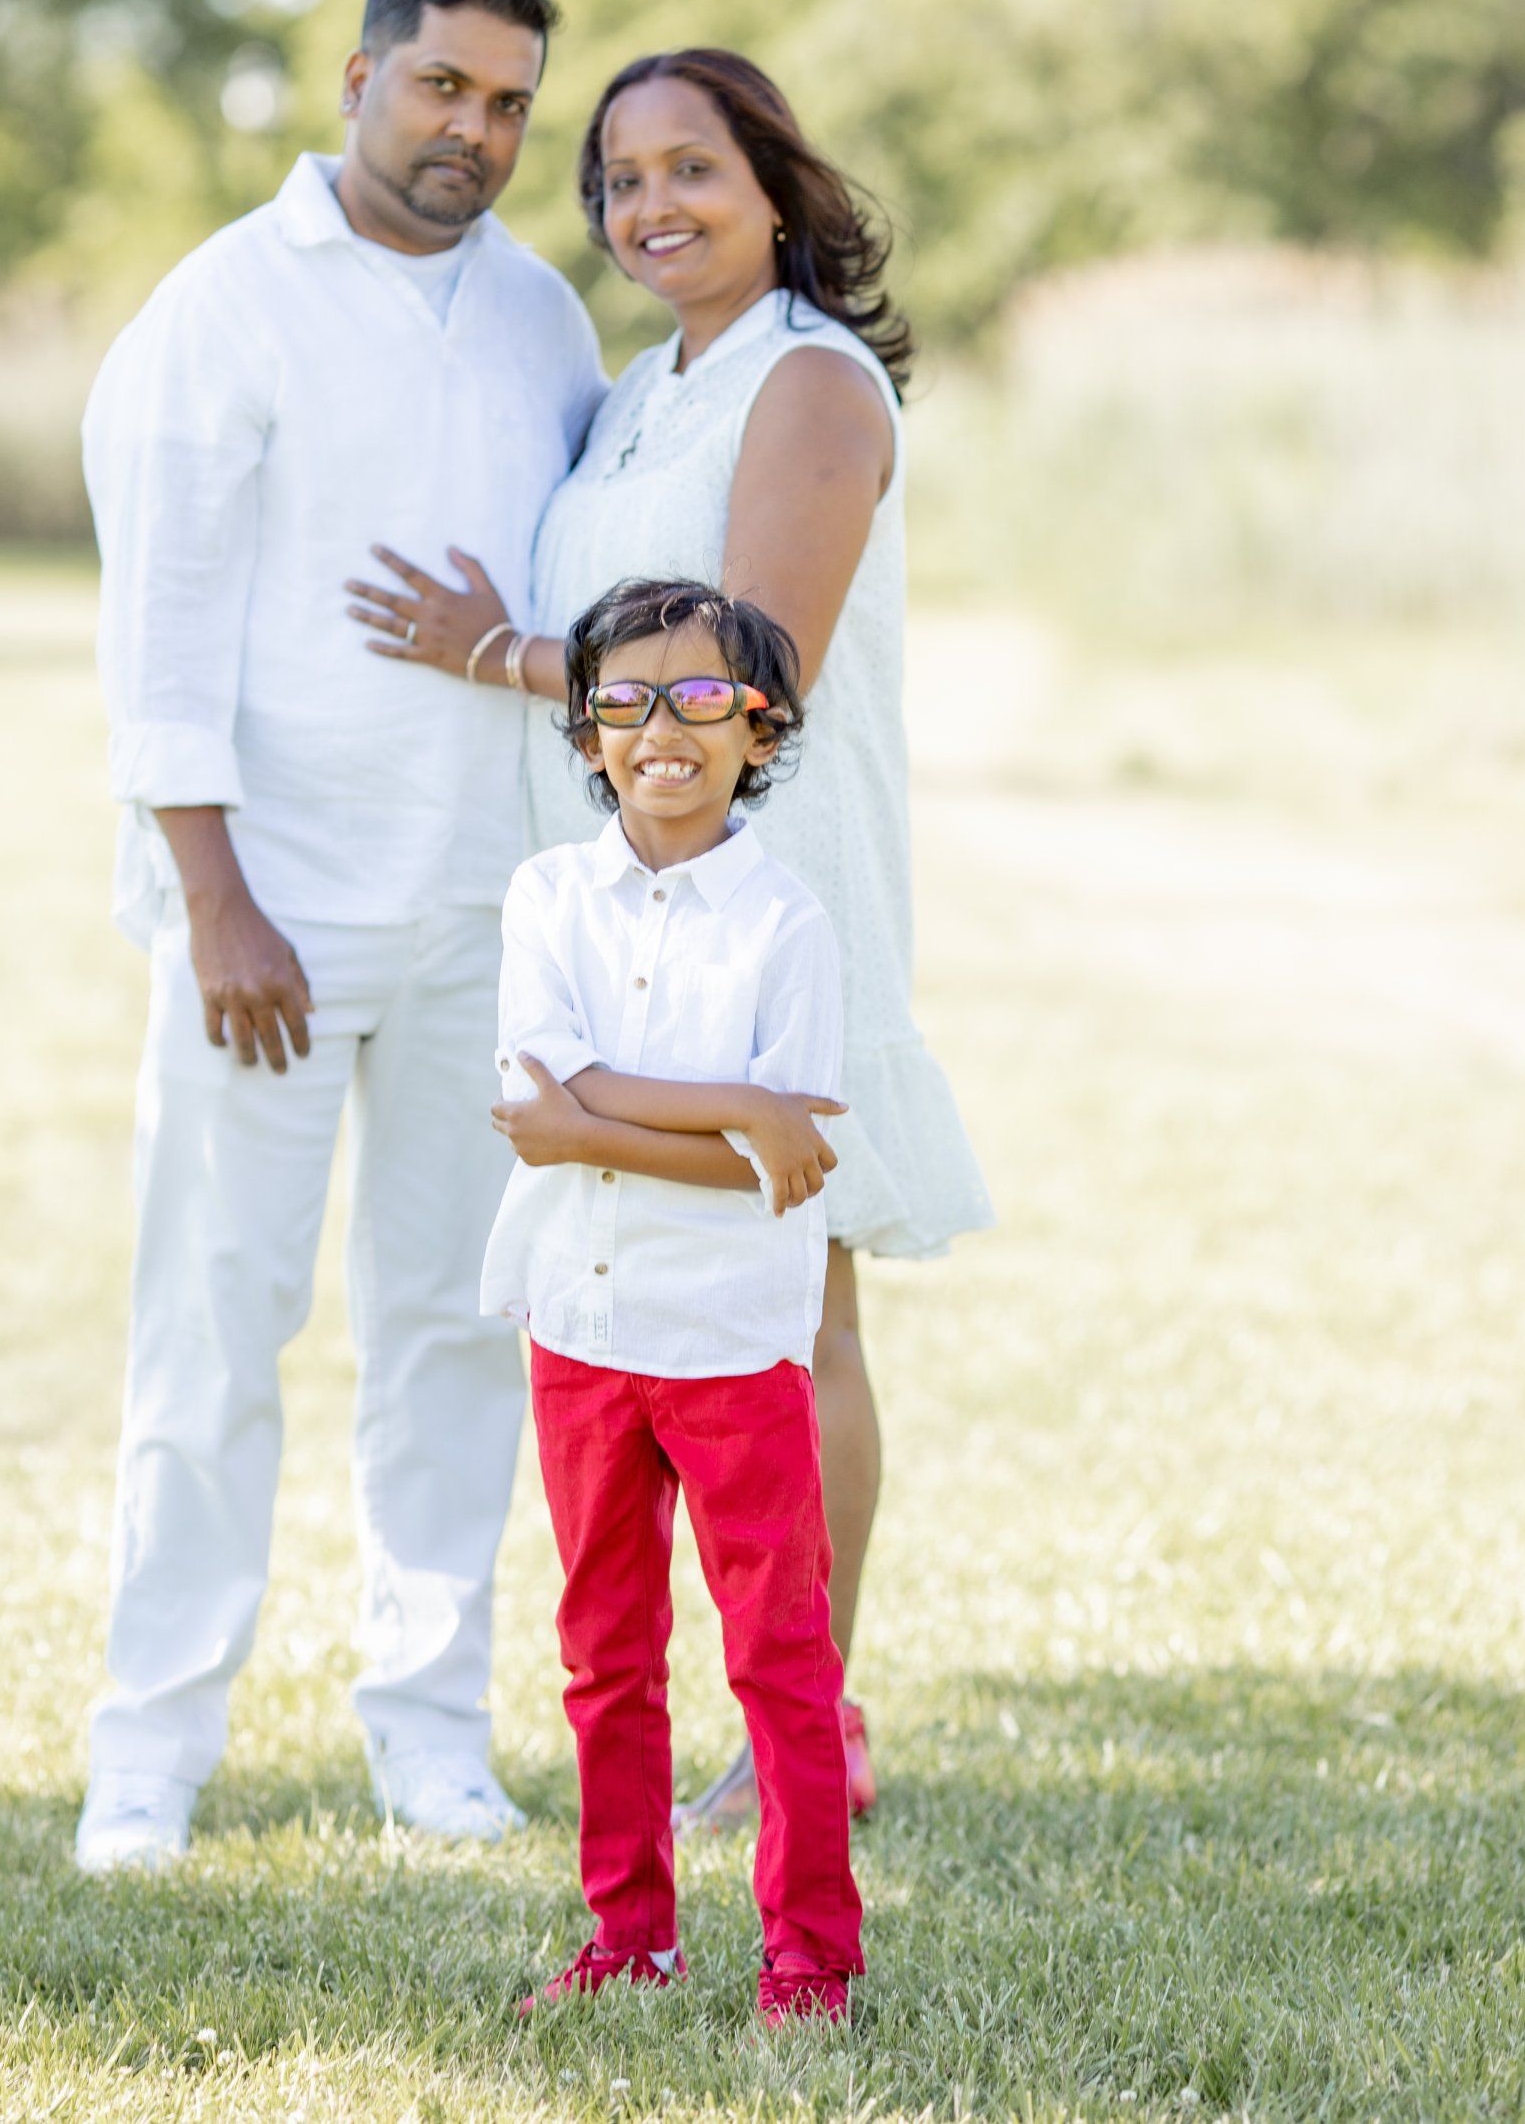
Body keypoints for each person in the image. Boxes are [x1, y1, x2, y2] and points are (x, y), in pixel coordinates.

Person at [341, 48, 993, 1828]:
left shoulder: (811, 383)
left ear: (776, 184)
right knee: (661, 1307)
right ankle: (717, 1709)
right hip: (622, 894)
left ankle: (811, 1731)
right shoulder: (640, 393)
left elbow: (751, 667)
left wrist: (499, 655)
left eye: (690, 168)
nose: (651, 207)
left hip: (777, 886)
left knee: (796, 1314)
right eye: (621, 180)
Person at [74, 0, 607, 1874]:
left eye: (510, 105)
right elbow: (163, 632)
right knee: (213, 1327)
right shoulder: (224, 309)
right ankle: (149, 1753)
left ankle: (430, 1735)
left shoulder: (545, 315)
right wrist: (214, 897)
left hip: (477, 908)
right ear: (364, 71)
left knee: (455, 1327)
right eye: (445, 87)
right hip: (270, 916)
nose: (475, 130)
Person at [483, 575, 863, 2024]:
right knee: (606, 1654)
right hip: (581, 1333)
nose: (663, 727)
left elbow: (776, 1166)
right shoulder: (547, 895)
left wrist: (606, 1123)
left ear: (758, 731)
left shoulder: (787, 925)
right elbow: (545, 1092)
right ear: (587, 734)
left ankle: (812, 1956)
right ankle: (629, 1933)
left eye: (702, 698)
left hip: (728, 1345)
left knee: (779, 1656)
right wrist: (724, 1108)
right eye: (628, 700)